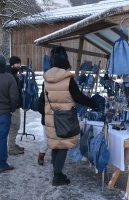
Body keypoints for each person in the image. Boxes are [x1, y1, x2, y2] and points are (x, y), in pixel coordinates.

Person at [39, 46, 97, 186]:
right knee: (63, 146)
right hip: (65, 118)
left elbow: (41, 100)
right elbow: (79, 97)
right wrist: (94, 103)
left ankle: (56, 173)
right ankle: (57, 176)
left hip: (50, 118)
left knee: (55, 145)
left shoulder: (46, 79)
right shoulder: (68, 79)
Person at [6, 56, 24, 155]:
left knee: (14, 126)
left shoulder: (13, 74)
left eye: (19, 63)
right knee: (15, 126)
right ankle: (12, 148)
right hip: (13, 106)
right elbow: (13, 91)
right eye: (17, 63)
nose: (19, 65)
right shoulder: (10, 75)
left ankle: (12, 145)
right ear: (12, 64)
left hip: (14, 105)